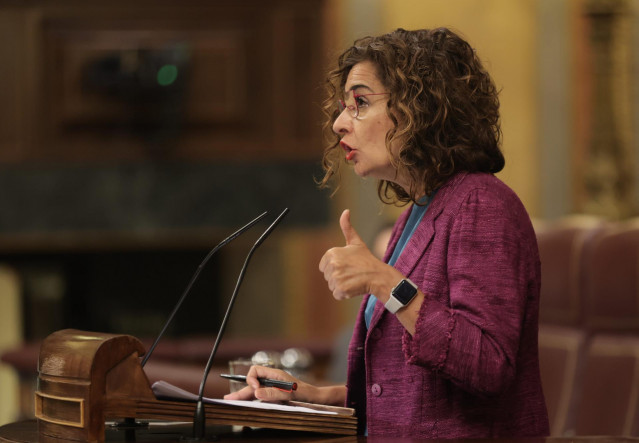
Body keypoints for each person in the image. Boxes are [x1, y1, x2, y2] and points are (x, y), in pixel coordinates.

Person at [225, 27, 550, 438]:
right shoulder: (415, 215)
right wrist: (304, 394)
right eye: (343, 107)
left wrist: (382, 279)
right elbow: (400, 398)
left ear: (422, 108)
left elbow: (486, 364)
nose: (340, 123)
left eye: (360, 102)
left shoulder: (482, 203)